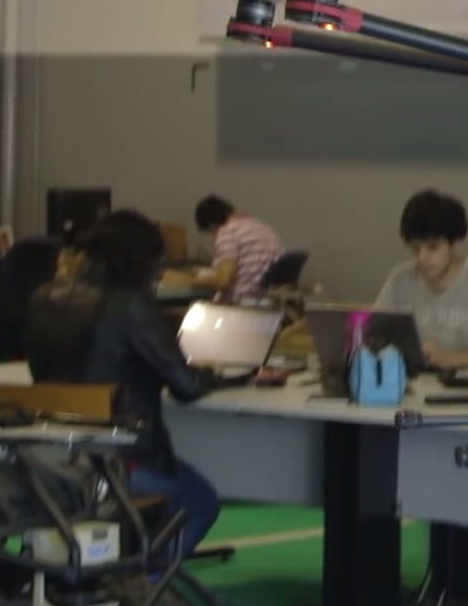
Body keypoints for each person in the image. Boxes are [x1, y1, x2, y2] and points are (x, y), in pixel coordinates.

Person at [25, 209, 231, 559]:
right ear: (142, 261)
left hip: (48, 460)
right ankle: (147, 579)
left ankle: (119, 571)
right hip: (121, 463)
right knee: (200, 502)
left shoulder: (43, 298)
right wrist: (214, 374)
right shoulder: (133, 307)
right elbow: (187, 387)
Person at [373, 189, 468, 370]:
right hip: (413, 382)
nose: (422, 258)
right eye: (416, 248)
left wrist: (450, 359)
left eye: (432, 248)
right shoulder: (399, 280)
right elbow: (372, 339)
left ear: (456, 245)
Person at [193, 195, 286, 302]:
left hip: (243, 300)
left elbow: (223, 281)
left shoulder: (227, 231)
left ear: (212, 224)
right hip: (268, 299)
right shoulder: (260, 226)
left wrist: (190, 280)